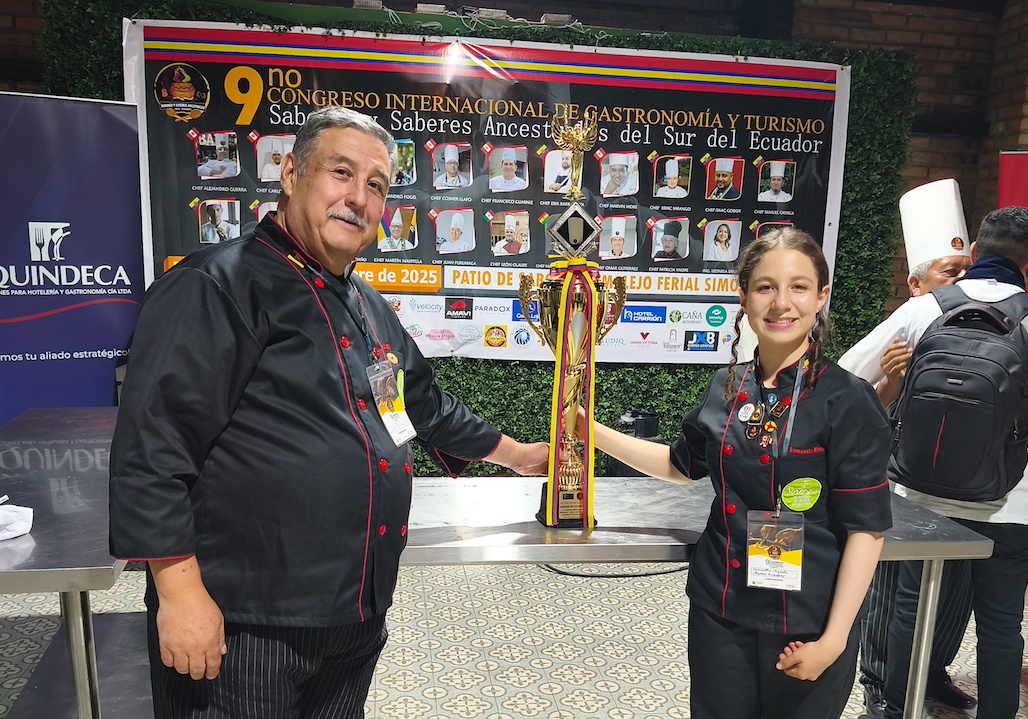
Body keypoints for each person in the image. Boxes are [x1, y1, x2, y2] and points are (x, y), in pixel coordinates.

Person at [109, 106, 549, 719]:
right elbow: (154, 447)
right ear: (290, 174)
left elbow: (420, 405)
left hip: (352, 612)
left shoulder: (367, 306)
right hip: (248, 620)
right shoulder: (218, 286)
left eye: (376, 184)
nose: (358, 197)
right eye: (341, 173)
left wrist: (519, 455)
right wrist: (179, 593)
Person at [591, 227, 892, 719]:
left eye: (798, 286)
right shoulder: (726, 386)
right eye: (765, 286)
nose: (781, 302)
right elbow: (680, 466)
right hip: (721, 606)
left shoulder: (847, 399)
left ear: (821, 296)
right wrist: (591, 431)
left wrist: (834, 640)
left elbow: (867, 528)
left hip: (808, 617)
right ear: (744, 296)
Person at [838, 205, 1028, 719]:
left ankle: (892, 710)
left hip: (920, 497)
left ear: (972, 253)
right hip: (1010, 504)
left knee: (908, 610)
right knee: (1000, 628)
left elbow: (845, 379)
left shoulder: (924, 308)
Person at [838, 178, 975, 719]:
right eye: (950, 271)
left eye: (967, 269)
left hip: (971, 479)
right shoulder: (915, 313)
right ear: (918, 285)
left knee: (955, 584)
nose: (962, 280)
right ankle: (879, 681)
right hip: (908, 473)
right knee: (895, 586)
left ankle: (932, 671)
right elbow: (846, 380)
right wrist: (890, 382)